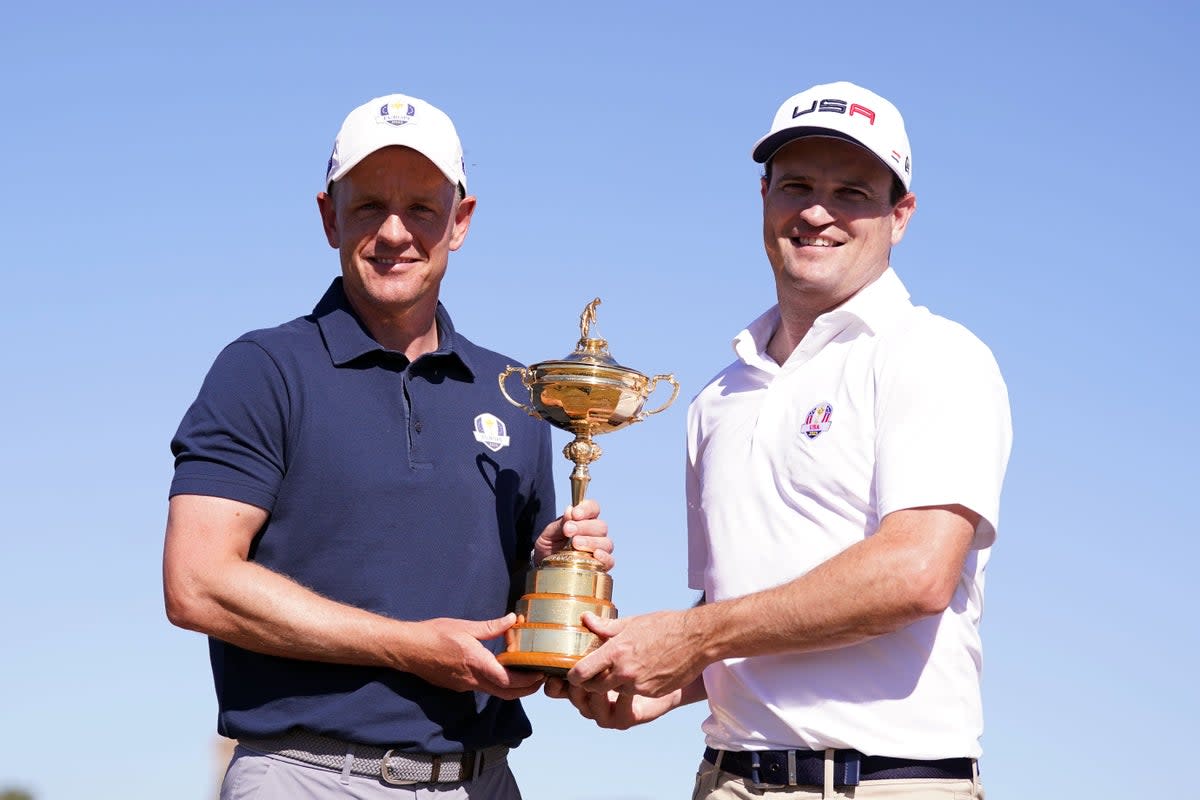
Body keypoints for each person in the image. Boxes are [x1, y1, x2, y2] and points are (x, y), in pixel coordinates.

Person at [548, 81, 1012, 799]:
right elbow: (734, 610)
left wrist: (694, 641)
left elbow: (915, 573)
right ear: (764, 197)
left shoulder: (935, 355)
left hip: (890, 783)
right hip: (728, 779)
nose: (818, 211)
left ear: (900, 215)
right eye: (796, 185)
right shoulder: (717, 400)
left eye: (852, 191)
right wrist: (662, 686)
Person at [163, 92, 610, 800]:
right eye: (368, 205)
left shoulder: (518, 396)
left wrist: (554, 572)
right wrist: (406, 646)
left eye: (422, 209)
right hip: (307, 778)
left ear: (460, 222)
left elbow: (518, 622)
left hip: (482, 781)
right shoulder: (262, 370)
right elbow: (196, 584)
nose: (395, 232)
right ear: (327, 216)